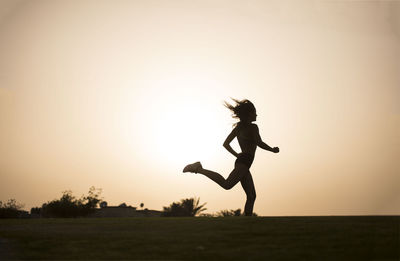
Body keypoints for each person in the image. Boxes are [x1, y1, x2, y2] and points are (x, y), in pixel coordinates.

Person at [183, 99, 279, 216]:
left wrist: (237, 155)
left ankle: (248, 224)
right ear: (249, 114)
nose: (256, 114)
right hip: (244, 162)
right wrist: (272, 150)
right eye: (254, 112)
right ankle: (198, 169)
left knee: (251, 196)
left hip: (243, 161)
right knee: (227, 184)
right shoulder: (253, 127)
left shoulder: (239, 128)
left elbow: (225, 144)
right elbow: (259, 143)